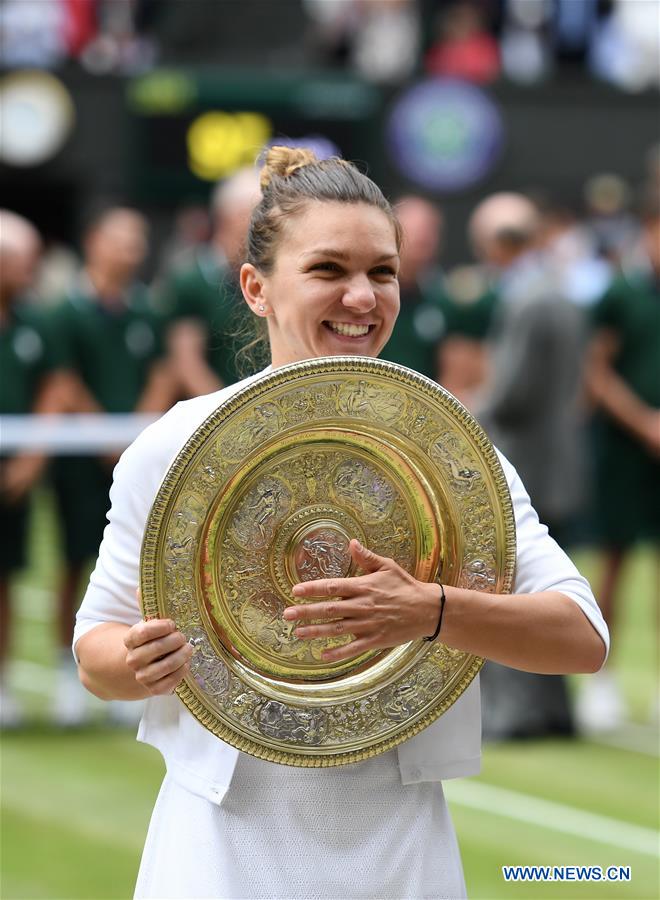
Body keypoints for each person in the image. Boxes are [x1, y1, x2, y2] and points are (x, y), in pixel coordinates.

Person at [74, 148, 608, 899]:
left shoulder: (447, 443)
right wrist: (137, 660)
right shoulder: (173, 448)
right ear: (256, 289)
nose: (363, 297)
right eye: (329, 270)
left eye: (382, 272)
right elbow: (94, 651)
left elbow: (581, 637)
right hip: (221, 847)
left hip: (400, 847)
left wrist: (434, 612)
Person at [49, 206, 175, 726]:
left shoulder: (147, 310)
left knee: (145, 566)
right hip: (83, 460)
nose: (131, 250)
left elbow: (163, 373)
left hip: (132, 455)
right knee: (73, 559)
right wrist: (103, 432)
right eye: (121, 239)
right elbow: (62, 380)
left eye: (138, 240)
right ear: (94, 242)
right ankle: (68, 670)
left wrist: (138, 437)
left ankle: (136, 664)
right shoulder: (65, 311)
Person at [470, 192, 588, 739]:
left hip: (528, 460)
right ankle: (556, 714)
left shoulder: (530, 298)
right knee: (557, 588)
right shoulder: (560, 292)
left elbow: (511, 393)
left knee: (515, 592)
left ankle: (519, 714)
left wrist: (457, 410)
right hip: (560, 456)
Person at [577, 194, 660, 731]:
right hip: (624, 455)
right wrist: (646, 423)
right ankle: (599, 681)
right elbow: (596, 373)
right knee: (614, 562)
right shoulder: (619, 293)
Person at [0, 210, 64, 726]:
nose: (31, 270)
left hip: (14, 476)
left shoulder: (36, 323)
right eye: (22, 261)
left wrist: (32, 454)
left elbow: (53, 387)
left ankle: (4, 687)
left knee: (7, 577)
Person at [154, 167, 262, 397]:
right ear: (226, 217)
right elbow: (187, 365)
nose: (265, 225)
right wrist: (231, 418)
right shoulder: (191, 281)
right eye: (257, 214)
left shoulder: (269, 277)